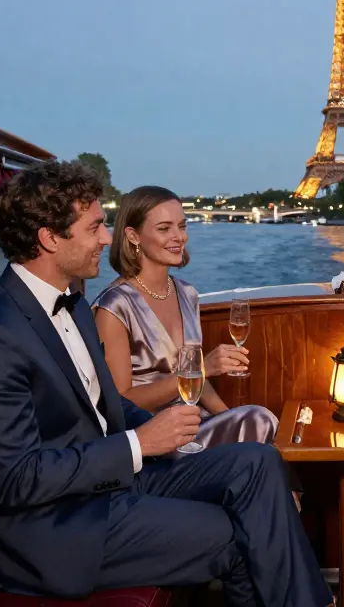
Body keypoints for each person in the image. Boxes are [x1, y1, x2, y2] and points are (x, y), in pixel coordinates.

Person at [0, 160, 331, 606]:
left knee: (258, 462)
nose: (106, 238)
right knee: (234, 532)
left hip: (113, 483)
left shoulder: (75, 307)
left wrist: (165, 436)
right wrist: (138, 444)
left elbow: (108, 404)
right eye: (95, 227)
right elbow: (16, 479)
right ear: (49, 238)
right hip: (60, 528)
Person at [93, 185, 302, 508]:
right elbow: (120, 402)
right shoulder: (113, 307)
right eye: (164, 228)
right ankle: (289, 516)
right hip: (156, 438)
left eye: (182, 225)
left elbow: (197, 385)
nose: (178, 236)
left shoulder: (187, 294)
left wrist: (231, 419)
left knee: (257, 424)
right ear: (133, 236)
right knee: (260, 421)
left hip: (196, 426)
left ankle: (281, 517)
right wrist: (206, 370)